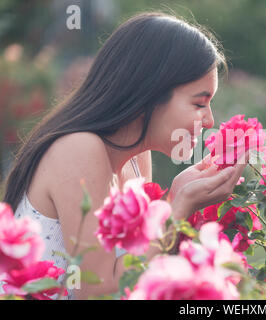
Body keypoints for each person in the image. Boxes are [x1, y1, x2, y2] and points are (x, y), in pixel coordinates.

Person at [2, 12, 248, 299]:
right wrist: (179, 207)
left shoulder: (134, 160)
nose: (209, 120)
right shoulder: (79, 149)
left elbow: (132, 273)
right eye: (199, 103)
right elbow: (95, 291)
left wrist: (176, 198)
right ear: (151, 92)